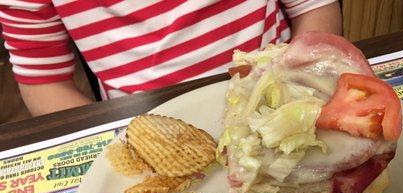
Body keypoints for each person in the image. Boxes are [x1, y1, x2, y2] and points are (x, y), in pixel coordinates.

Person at [0, 0, 341, 116]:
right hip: (141, 123)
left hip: (279, 98)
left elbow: (315, 9)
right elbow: (43, 82)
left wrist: (297, 91)